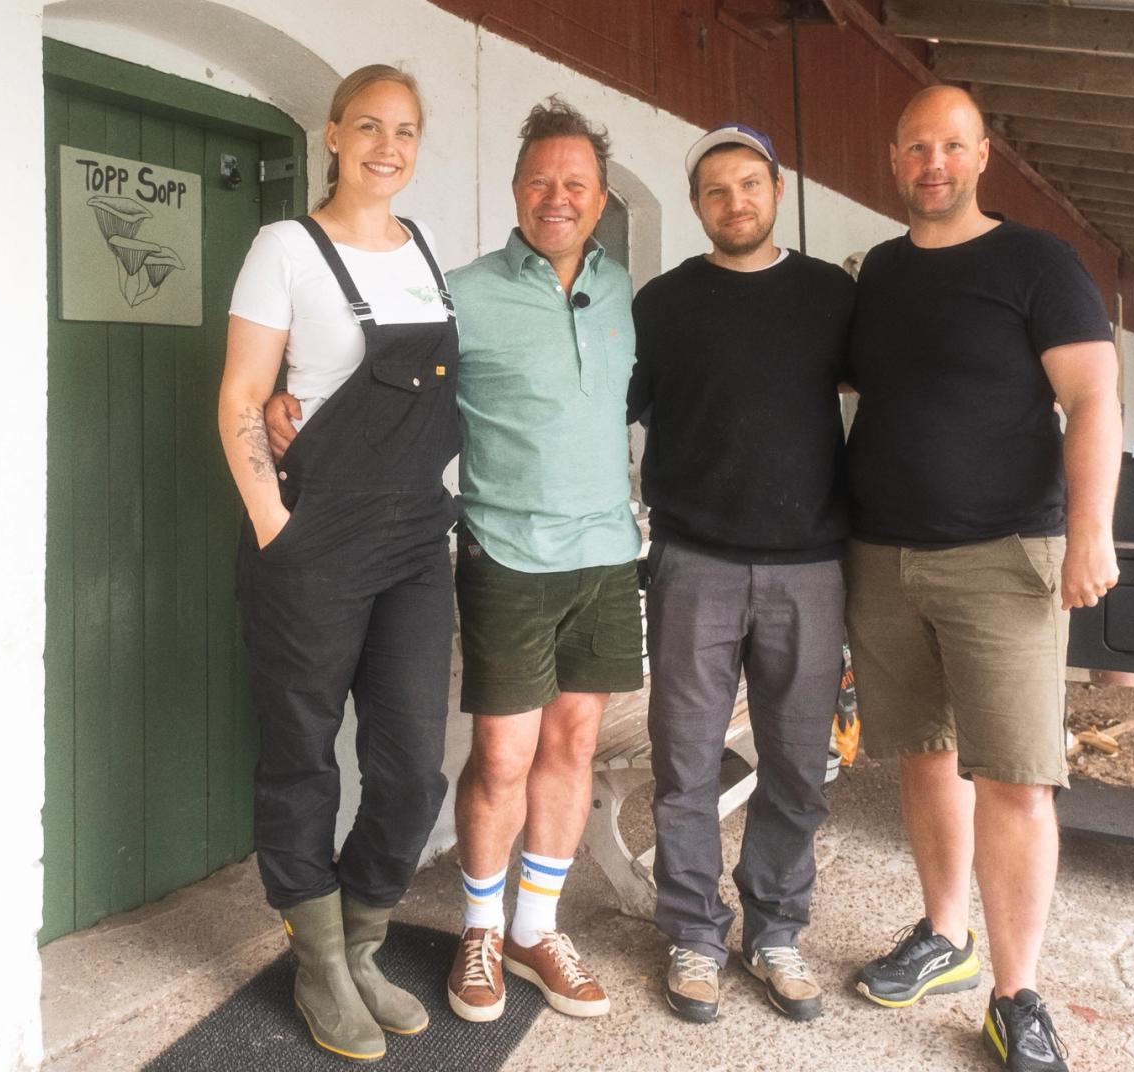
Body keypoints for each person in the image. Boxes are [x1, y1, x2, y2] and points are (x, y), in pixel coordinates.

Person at [267, 97, 641, 1025]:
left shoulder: (625, 293)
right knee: (504, 755)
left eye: (576, 184)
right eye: (540, 181)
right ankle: (479, 928)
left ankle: (535, 927)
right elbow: (374, 374)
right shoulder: (459, 292)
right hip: (506, 550)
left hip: (604, 554)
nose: (558, 198)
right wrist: (288, 406)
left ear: (600, 200)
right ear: (515, 190)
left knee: (574, 745)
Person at [845, 84, 1121, 1072]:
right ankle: (944, 935)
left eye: (950, 146)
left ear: (981, 156)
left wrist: (1092, 527)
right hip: (882, 556)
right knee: (922, 754)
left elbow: (1093, 397)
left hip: (1006, 556)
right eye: (915, 146)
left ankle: (1017, 993)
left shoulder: (1037, 262)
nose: (932, 162)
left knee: (1014, 776)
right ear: (894, 157)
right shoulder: (876, 272)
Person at [217, 64, 459, 1063]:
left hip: (413, 540)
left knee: (410, 764)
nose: (387, 146)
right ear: (332, 133)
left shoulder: (425, 248)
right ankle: (318, 958)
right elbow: (242, 398)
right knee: (303, 756)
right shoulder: (284, 247)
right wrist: (278, 526)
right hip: (314, 537)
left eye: (405, 129)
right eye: (369, 125)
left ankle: (363, 941)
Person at [627, 124, 856, 1024]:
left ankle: (775, 931)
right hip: (694, 562)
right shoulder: (664, 302)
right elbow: (607, 399)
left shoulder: (830, 296)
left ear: (777, 189)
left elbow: (893, 393)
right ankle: (691, 932)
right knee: (685, 764)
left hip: (811, 567)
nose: (735, 203)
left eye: (750, 185)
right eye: (716, 191)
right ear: (696, 207)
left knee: (798, 767)